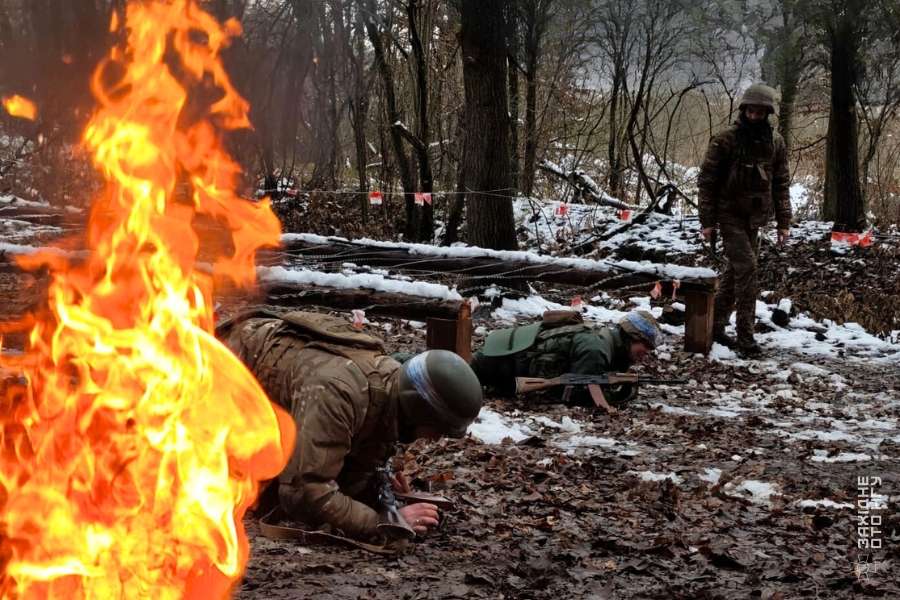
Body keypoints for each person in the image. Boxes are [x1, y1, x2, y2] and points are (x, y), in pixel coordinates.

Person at [217, 309, 483, 544]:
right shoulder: (340, 392)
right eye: (437, 430)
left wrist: (380, 492)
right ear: (418, 412)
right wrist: (384, 523)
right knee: (251, 495)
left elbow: (353, 462)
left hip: (250, 394)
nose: (435, 440)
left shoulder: (388, 386)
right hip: (208, 389)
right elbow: (304, 492)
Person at [698, 83, 792, 357]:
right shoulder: (725, 140)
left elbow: (781, 183)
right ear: (744, 109)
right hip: (728, 214)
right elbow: (707, 181)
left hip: (756, 217)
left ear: (767, 113)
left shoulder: (775, 142)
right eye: (750, 110)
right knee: (748, 269)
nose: (753, 116)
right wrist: (708, 220)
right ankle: (746, 339)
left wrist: (784, 222)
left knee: (735, 272)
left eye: (759, 112)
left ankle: (715, 327)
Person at [470, 309, 661, 413]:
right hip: (497, 364)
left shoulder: (601, 341)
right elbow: (579, 396)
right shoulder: (596, 348)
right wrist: (620, 395)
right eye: (644, 346)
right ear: (629, 338)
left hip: (500, 359)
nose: (646, 353)